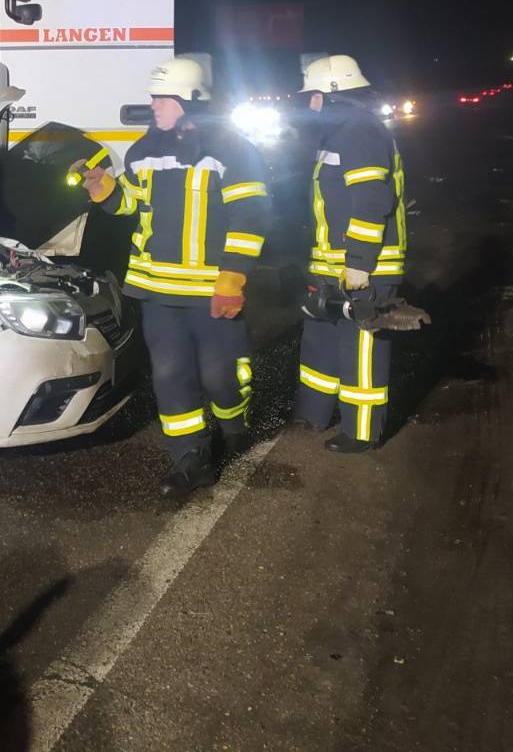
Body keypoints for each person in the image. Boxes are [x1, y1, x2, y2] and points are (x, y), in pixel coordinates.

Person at [76, 58, 273, 497]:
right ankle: (189, 459)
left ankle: (233, 424)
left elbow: (251, 215)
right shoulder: (143, 151)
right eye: (154, 96)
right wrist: (107, 191)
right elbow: (134, 204)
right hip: (159, 293)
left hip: (211, 292)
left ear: (192, 102)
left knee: (221, 375)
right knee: (170, 377)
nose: (154, 105)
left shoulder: (233, 150)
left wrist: (233, 278)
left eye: (163, 97)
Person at [293, 54, 409, 453]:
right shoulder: (338, 132)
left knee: (361, 348)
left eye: (313, 96)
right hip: (333, 264)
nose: (308, 104)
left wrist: (359, 263)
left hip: (365, 269)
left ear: (333, 94)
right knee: (321, 339)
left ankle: (361, 432)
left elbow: (371, 199)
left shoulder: (359, 131)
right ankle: (314, 413)